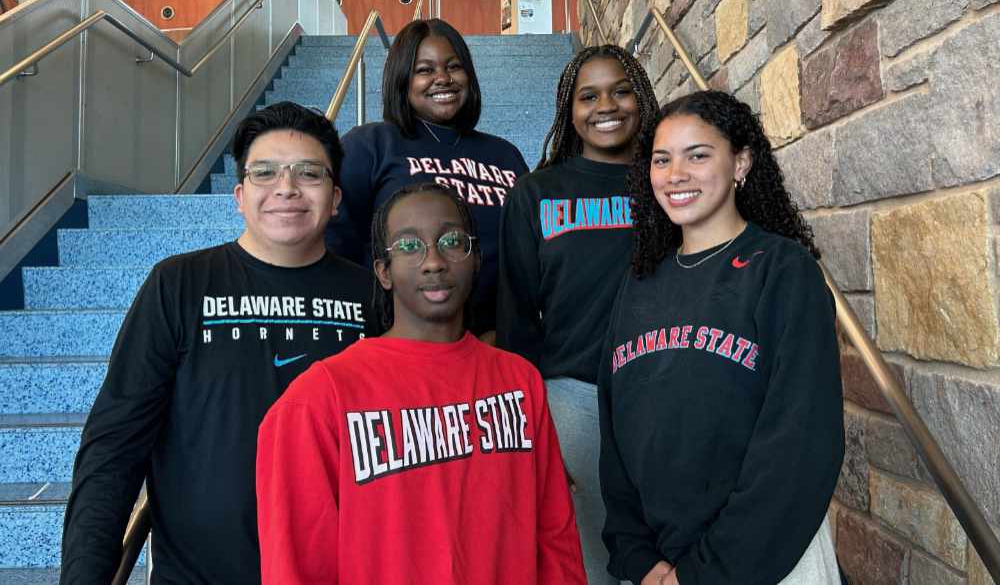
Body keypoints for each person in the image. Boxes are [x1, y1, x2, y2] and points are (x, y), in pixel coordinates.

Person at [60, 102, 372, 584]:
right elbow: (113, 449)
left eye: (308, 173)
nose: (286, 188)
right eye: (265, 173)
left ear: (335, 198)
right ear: (239, 196)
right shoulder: (179, 285)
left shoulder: (371, 296)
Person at [257, 183, 587, 584]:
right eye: (409, 246)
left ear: (475, 258)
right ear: (384, 272)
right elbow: (296, 565)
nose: (434, 261)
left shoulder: (519, 381)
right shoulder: (319, 398)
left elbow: (554, 537)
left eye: (451, 241)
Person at [600, 90, 845, 585]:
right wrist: (638, 557)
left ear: (741, 162)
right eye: (662, 160)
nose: (675, 175)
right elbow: (615, 427)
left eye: (698, 155)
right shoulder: (641, 280)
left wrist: (705, 573)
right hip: (658, 567)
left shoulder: (782, 270)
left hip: (765, 561)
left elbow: (800, 442)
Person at [495, 44, 658, 584]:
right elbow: (516, 315)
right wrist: (529, 415)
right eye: (588, 95)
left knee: (667, 552)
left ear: (643, 99)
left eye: (621, 90)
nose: (605, 105)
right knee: (591, 561)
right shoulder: (537, 193)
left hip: (667, 387)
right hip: (574, 397)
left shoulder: (668, 184)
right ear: (569, 109)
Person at [326, 18, 529, 337]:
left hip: (490, 345)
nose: (443, 79)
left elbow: (524, 259)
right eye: (424, 70)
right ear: (402, 79)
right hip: (393, 342)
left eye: (454, 66)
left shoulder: (504, 155)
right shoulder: (371, 145)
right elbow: (335, 247)